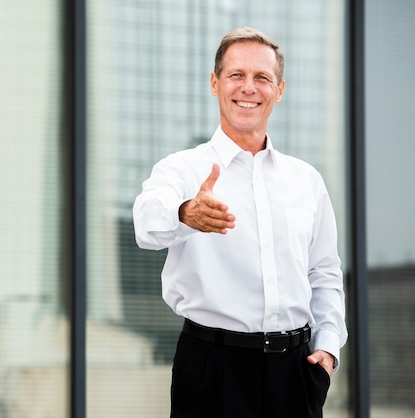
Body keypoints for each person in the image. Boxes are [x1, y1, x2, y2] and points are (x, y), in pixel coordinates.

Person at [132, 26, 347, 418]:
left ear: (279, 90)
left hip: (297, 374)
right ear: (215, 84)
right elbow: (145, 224)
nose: (249, 87)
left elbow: (324, 272)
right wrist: (186, 213)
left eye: (262, 77)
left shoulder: (307, 181)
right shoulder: (182, 169)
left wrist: (329, 347)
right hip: (213, 371)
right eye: (236, 75)